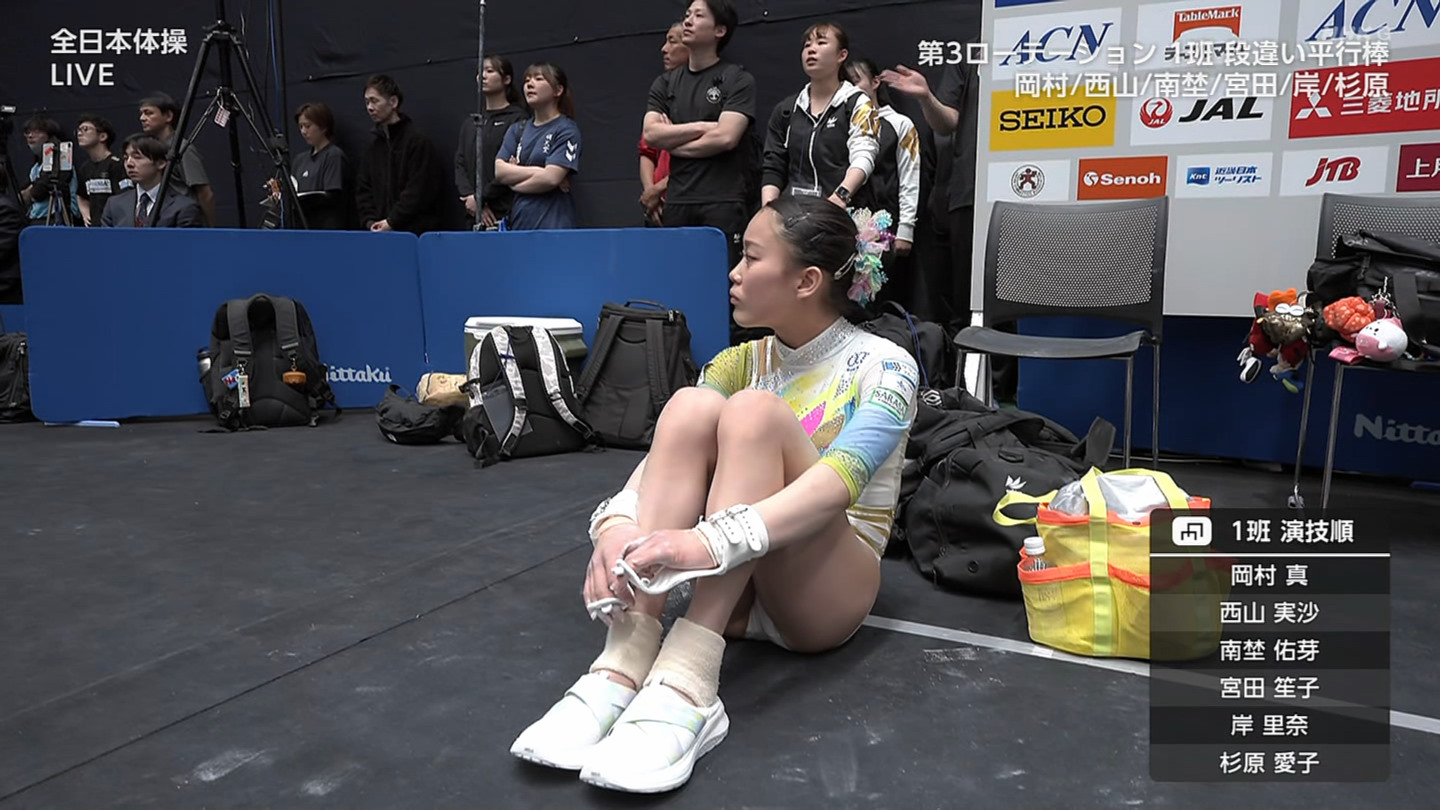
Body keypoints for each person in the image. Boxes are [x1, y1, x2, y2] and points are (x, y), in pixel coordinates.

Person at [509, 196, 920, 794]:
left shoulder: (886, 366)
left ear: (806, 281)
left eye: (751, 257)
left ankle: (689, 682)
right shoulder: (736, 362)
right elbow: (661, 462)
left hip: (823, 591)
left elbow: (836, 487)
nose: (734, 272)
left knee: (755, 414)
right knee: (691, 405)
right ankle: (625, 657)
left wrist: (709, 542)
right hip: (736, 590)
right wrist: (617, 529)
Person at [879, 60, 1018, 402]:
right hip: (970, 190)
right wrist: (926, 97)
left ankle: (1011, 400)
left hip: (1033, 183)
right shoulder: (970, 54)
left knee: (1013, 305)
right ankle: (964, 399)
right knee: (966, 304)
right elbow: (947, 122)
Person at [642, 0, 758, 343]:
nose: (688, 21)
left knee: (726, 290)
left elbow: (727, 137)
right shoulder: (665, 84)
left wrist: (675, 139)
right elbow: (651, 134)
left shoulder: (737, 79)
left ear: (719, 30)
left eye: (698, 15)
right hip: (678, 200)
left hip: (723, 200)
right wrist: (704, 127)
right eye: (687, 15)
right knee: (677, 288)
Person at [759, 24, 880, 211]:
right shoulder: (787, 109)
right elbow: (773, 165)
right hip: (796, 215)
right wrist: (768, 210)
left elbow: (864, 157)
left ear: (841, 55)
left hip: (842, 212)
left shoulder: (857, 103)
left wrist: (840, 197)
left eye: (821, 43)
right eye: (807, 45)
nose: (811, 49)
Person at [845, 57, 920, 308]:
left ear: (875, 82)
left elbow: (910, 176)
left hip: (883, 227)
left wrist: (906, 230)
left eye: (855, 81)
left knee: (878, 299)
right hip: (843, 224)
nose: (850, 89)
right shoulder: (840, 122)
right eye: (845, 83)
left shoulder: (900, 124)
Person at [355, 74, 449, 235]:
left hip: (413, 234)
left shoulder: (417, 142)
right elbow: (363, 190)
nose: (370, 107)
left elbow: (419, 191)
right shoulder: (373, 148)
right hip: (378, 235)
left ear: (393, 102)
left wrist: (392, 221)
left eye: (374, 101)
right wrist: (370, 222)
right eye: (367, 102)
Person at [494, 63, 581, 231]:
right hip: (521, 222)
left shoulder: (566, 129)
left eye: (538, 79)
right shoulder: (517, 129)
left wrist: (514, 183)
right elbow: (500, 170)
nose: (530, 84)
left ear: (558, 90)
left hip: (553, 225)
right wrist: (541, 172)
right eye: (527, 80)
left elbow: (551, 179)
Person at [456, 55, 528, 230]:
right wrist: (471, 198)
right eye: (480, 72)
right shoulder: (471, 123)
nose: (483, 76)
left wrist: (481, 198)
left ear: (506, 79)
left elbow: (513, 166)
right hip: (473, 214)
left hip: (505, 211)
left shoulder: (518, 119)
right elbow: (460, 163)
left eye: (490, 71)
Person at [638, 22, 689, 226]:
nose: (664, 49)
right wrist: (650, 192)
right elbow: (647, 151)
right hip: (657, 205)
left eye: (672, 42)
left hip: (688, 198)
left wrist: (660, 188)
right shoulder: (662, 92)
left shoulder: (706, 96)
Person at [138, 93, 215, 226]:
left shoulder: (182, 149)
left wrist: (210, 228)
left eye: (149, 113)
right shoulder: (152, 149)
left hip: (184, 220)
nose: (142, 118)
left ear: (168, 116)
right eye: (141, 114)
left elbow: (204, 193)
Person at [100, 134, 205, 228]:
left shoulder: (184, 207)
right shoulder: (114, 205)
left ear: (161, 163)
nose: (129, 164)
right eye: (125, 158)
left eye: (137, 157)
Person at [290, 102, 353, 230]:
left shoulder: (333, 156)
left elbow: (333, 196)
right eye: (301, 126)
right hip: (303, 227)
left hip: (326, 228)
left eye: (308, 126)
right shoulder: (299, 160)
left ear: (323, 127)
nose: (303, 131)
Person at [74, 114, 131, 227]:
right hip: (95, 228)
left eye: (85, 129)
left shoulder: (117, 164)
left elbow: (126, 197)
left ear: (103, 136)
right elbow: (81, 196)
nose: (80, 134)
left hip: (115, 226)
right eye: (78, 130)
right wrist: (85, 213)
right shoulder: (85, 168)